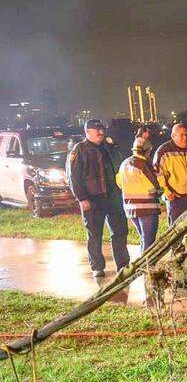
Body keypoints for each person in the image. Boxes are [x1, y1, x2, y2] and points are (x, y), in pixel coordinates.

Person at [66, 119, 130, 278]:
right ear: (87, 132)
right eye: (97, 130)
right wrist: (82, 199)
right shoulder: (79, 150)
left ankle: (123, 265)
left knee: (120, 232)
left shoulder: (110, 147)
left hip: (113, 197)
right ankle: (97, 267)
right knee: (95, 235)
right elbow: (74, 177)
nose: (101, 132)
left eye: (102, 129)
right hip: (93, 199)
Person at [116, 136, 163, 251]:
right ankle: (146, 262)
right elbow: (154, 187)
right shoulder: (144, 165)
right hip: (147, 208)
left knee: (143, 238)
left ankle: (142, 261)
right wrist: (161, 190)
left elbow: (119, 183)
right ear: (148, 150)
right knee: (149, 241)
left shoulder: (124, 163)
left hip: (130, 207)